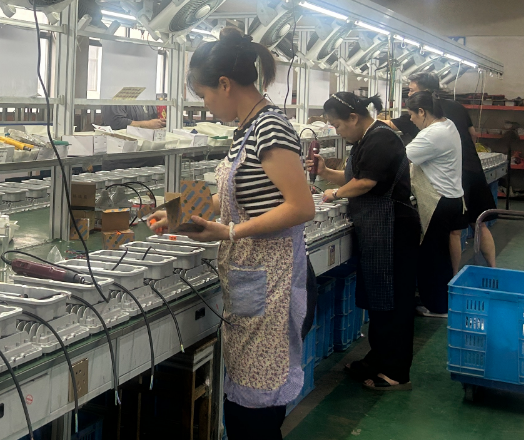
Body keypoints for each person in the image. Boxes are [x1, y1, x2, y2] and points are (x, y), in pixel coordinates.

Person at [149, 26, 315, 440]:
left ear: (225, 84)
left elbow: (300, 207)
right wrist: (177, 213)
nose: (205, 105)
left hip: (273, 282)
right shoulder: (246, 128)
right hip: (252, 278)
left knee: (254, 418)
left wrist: (229, 232)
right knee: (244, 412)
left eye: (204, 95)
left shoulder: (269, 127)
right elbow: (232, 198)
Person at [311, 92, 419, 391]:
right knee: (378, 299)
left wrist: (334, 193)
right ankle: (378, 358)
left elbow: (365, 183)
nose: (337, 131)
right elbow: (352, 178)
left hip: (393, 228)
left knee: (394, 301)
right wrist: (325, 173)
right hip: (376, 227)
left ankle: (397, 371)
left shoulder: (381, 138)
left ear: (354, 117)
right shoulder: (364, 139)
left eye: (337, 125)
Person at [382, 72, 497, 269]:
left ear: (424, 96)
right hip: (471, 169)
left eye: (412, 90)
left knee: (450, 233)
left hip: (450, 177)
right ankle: (491, 269)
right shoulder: (454, 109)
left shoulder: (425, 114)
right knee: (478, 224)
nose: (409, 94)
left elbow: (389, 130)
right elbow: (472, 134)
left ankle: (451, 275)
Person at [405, 91, 467, 317]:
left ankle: (437, 307)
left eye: (412, 114)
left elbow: (399, 159)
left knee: (433, 257)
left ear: (422, 112)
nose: (411, 119)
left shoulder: (432, 134)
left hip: (438, 202)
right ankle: (440, 299)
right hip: (453, 199)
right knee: (441, 255)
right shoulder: (447, 124)